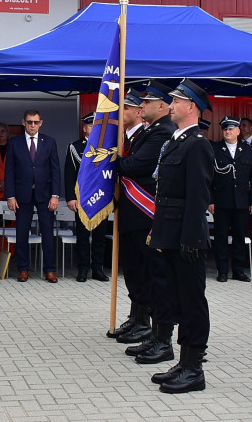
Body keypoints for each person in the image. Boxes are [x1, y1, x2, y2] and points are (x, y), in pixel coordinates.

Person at [148, 79, 214, 395]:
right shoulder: (176, 141)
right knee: (178, 298)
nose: (170, 105)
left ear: (192, 107)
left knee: (192, 302)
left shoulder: (197, 144)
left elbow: (198, 196)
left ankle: (194, 368)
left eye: (176, 101)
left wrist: (192, 238)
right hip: (170, 234)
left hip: (186, 237)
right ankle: (183, 363)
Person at [110, 87, 159, 344]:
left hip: (143, 213)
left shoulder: (147, 136)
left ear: (139, 112)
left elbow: (136, 166)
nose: (122, 111)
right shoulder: (127, 138)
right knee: (131, 269)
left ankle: (145, 320)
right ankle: (135, 315)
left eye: (126, 108)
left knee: (143, 269)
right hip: (128, 212)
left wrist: (111, 161)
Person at [5, 108, 61, 282]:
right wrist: (10, 196)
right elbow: (9, 172)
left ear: (41, 123)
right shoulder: (15, 143)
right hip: (22, 195)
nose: (33, 125)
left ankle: (49, 270)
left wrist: (55, 195)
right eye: (29, 122)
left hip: (45, 195)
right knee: (22, 233)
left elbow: (55, 170)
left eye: (36, 122)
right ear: (24, 123)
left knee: (47, 233)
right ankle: (23, 269)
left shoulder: (49, 142)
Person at [209, 116, 252, 283]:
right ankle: (222, 271)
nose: (228, 131)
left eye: (231, 129)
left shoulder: (248, 150)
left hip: (241, 201)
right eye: (225, 129)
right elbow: (209, 178)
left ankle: (238, 270)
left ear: (238, 131)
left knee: (239, 237)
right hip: (221, 201)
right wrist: (210, 200)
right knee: (221, 238)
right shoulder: (215, 149)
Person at [63, 113, 109, 283]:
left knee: (99, 237)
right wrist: (70, 198)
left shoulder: (108, 147)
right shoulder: (75, 147)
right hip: (82, 200)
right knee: (82, 237)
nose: (93, 129)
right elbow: (69, 174)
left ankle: (98, 269)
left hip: (101, 199)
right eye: (90, 126)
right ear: (84, 128)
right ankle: (83, 269)